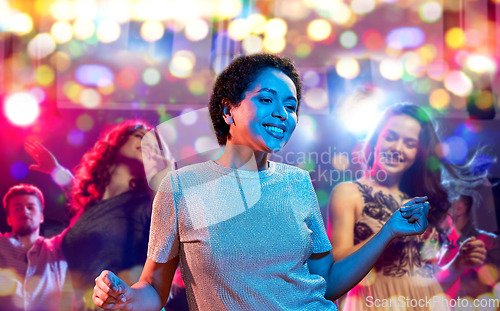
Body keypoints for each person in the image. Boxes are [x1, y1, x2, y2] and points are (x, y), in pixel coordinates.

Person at [92, 53, 431, 311]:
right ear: (228, 111)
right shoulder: (181, 188)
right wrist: (124, 298)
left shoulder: (298, 183)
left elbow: (325, 282)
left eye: (291, 106)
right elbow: (153, 287)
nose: (283, 114)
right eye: (267, 100)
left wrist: (389, 230)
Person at [328, 103, 487, 310]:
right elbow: (335, 272)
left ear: (419, 153)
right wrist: (387, 232)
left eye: (410, 143)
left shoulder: (422, 201)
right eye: (390, 137)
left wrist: (458, 263)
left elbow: (427, 280)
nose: (397, 148)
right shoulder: (348, 192)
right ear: (376, 138)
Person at [25, 120, 175, 311]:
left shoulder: (147, 203)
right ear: (115, 144)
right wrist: (55, 169)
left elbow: (172, 233)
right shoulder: (89, 207)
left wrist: (164, 181)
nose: (147, 141)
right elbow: (76, 190)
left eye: (152, 141)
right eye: (139, 136)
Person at [0, 184, 68, 311]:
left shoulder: (57, 248)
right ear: (8, 220)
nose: (25, 211)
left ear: (41, 217)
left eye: (30, 207)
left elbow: (88, 211)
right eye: (17, 208)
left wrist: (59, 173)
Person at [440, 194, 500, 300]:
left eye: (442, 206)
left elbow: (495, 281)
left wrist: (456, 235)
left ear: (459, 208)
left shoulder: (489, 241)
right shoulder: (441, 248)